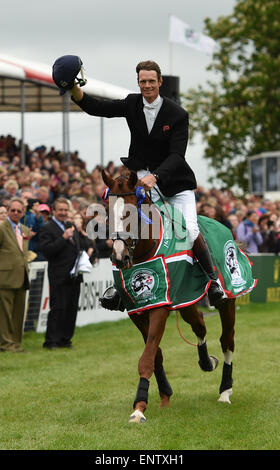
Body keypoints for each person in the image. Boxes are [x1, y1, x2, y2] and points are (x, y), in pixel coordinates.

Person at [67, 58, 224, 305]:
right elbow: (99, 108)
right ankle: (119, 289)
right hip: (141, 179)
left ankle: (212, 281)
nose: (147, 85)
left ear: (160, 82)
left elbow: (177, 155)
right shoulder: (131, 103)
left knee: (190, 230)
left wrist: (156, 176)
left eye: (152, 81)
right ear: (138, 82)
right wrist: (74, 89)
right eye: (143, 81)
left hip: (174, 183)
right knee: (127, 228)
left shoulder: (178, 114)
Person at [39, 197, 93, 349]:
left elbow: (80, 246)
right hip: (58, 274)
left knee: (71, 308)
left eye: (65, 210)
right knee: (58, 308)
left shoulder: (71, 225)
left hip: (75, 275)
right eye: (60, 210)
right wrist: (63, 238)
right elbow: (48, 251)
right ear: (54, 211)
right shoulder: (47, 228)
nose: (63, 213)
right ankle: (51, 341)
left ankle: (65, 339)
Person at [0, 197, 30, 352]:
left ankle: (16, 342)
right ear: (8, 210)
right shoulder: (1, 228)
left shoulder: (24, 230)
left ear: (23, 213)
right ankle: (5, 344)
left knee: (18, 313)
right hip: (4, 278)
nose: (16, 213)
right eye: (13, 210)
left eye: (19, 211)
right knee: (4, 313)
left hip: (22, 276)